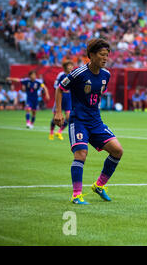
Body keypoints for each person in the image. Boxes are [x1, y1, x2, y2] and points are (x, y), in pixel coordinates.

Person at [54, 38, 124, 205]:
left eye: (107, 55)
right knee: (81, 154)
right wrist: (58, 112)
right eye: (101, 54)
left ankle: (99, 186)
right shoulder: (78, 73)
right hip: (78, 121)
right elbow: (60, 88)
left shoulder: (106, 74)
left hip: (96, 121)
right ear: (91, 55)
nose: (105, 58)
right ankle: (76, 195)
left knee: (117, 151)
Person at [50, 61, 74, 140]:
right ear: (65, 67)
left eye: (71, 66)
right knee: (55, 118)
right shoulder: (61, 75)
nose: (70, 67)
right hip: (60, 97)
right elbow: (55, 85)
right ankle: (51, 133)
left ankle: (59, 132)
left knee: (68, 118)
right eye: (69, 66)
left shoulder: (73, 76)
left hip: (68, 98)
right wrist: (62, 90)